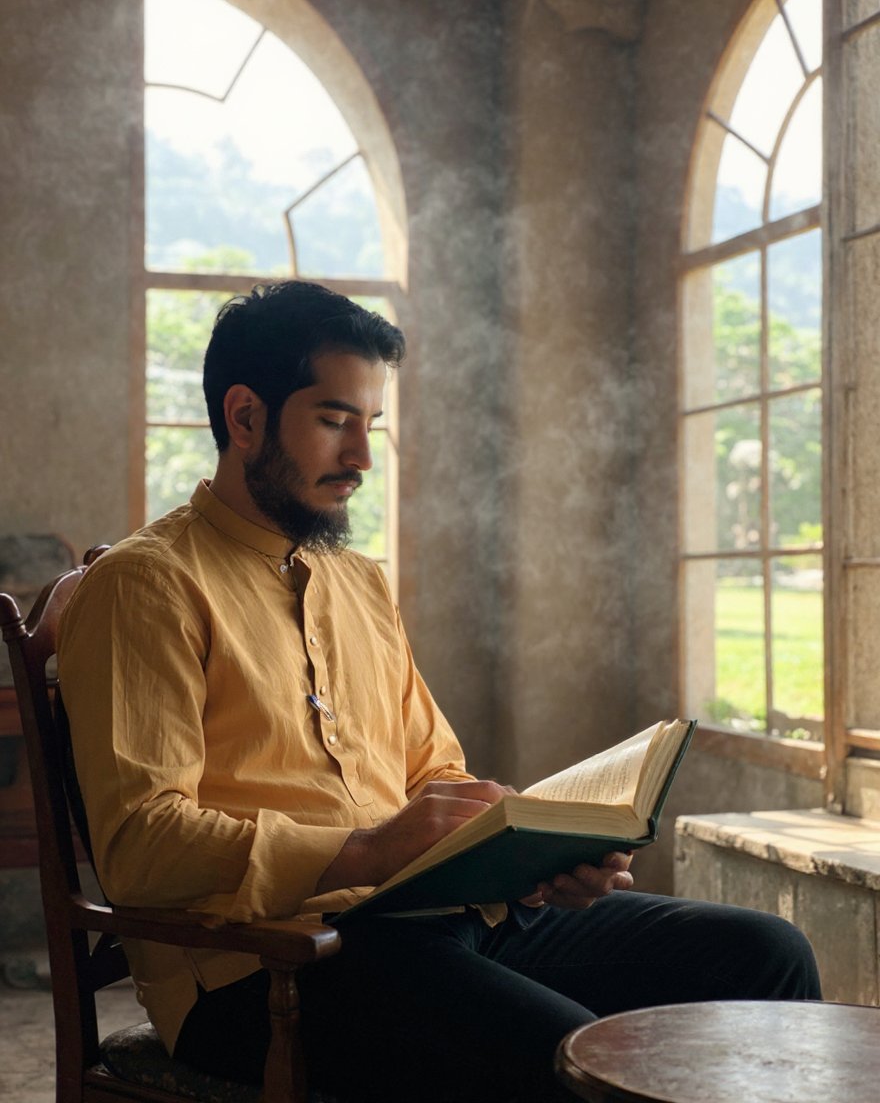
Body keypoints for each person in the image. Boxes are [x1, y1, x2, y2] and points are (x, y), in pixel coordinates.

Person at [57, 280, 821, 1103]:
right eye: (333, 421)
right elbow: (141, 847)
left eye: (370, 427)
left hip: (437, 921)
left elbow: (435, 775)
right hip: (268, 969)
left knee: (766, 954)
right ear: (244, 417)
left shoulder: (357, 582)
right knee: (577, 1058)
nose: (361, 458)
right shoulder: (147, 585)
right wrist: (361, 851)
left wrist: (537, 856)